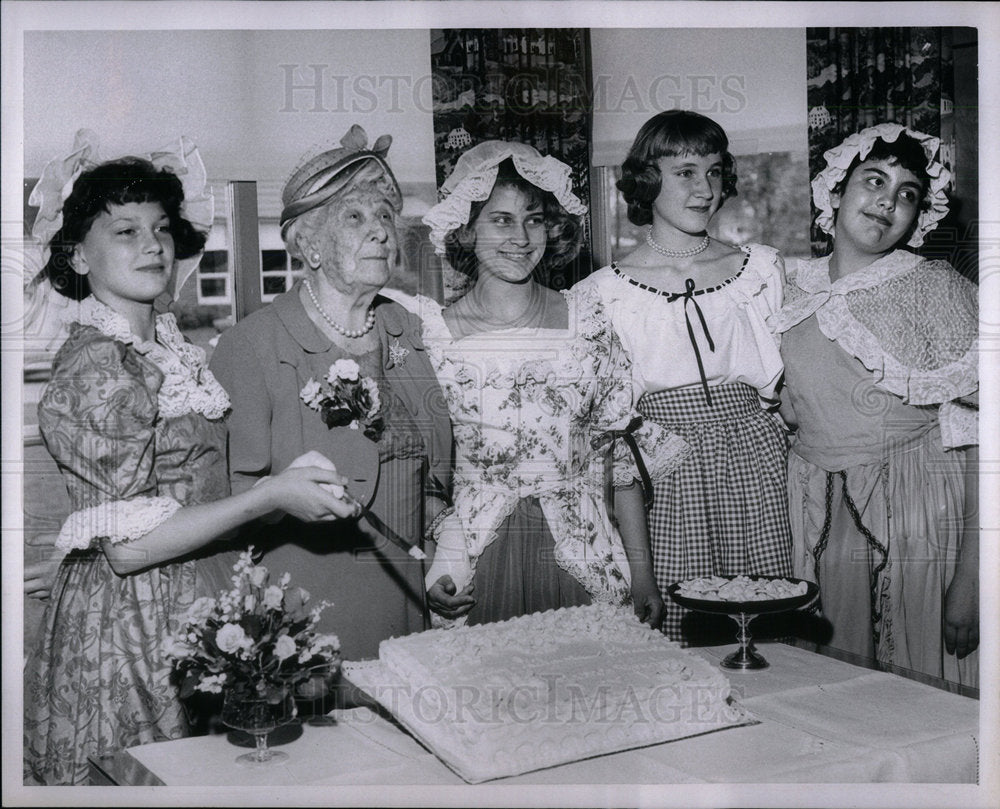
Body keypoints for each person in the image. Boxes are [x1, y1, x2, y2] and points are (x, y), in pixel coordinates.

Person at [22, 135, 355, 786]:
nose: (152, 245)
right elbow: (126, 550)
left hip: (192, 597)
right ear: (75, 254)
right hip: (128, 626)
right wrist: (268, 497)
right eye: (124, 230)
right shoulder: (99, 367)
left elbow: (188, 486)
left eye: (161, 229)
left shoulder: (166, 350)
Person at [411, 140, 688, 628]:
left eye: (534, 219)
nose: (520, 236)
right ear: (466, 227)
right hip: (475, 559)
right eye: (500, 219)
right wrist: (436, 562)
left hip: (586, 551)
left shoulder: (588, 322)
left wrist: (643, 574)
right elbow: (423, 478)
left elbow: (617, 459)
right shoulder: (430, 337)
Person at [209, 125, 454, 667]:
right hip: (306, 605)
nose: (382, 234)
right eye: (356, 218)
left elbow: (432, 473)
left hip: (407, 593)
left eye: (387, 217)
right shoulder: (252, 345)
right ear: (310, 244)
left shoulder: (407, 329)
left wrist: (441, 550)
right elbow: (235, 503)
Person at [768, 123, 979, 686]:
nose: (888, 201)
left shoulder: (936, 287)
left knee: (911, 687)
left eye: (908, 193)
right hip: (817, 505)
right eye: (874, 180)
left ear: (918, 218)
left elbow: (986, 434)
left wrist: (974, 576)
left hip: (918, 509)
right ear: (835, 191)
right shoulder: (786, 288)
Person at [576, 111, 792, 643]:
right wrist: (640, 571)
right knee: (682, 642)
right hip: (665, 479)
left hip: (758, 467)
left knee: (767, 638)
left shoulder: (760, 270)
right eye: (686, 172)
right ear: (648, 180)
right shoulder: (602, 295)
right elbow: (614, 447)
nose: (705, 189)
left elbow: (789, 394)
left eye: (715, 172)